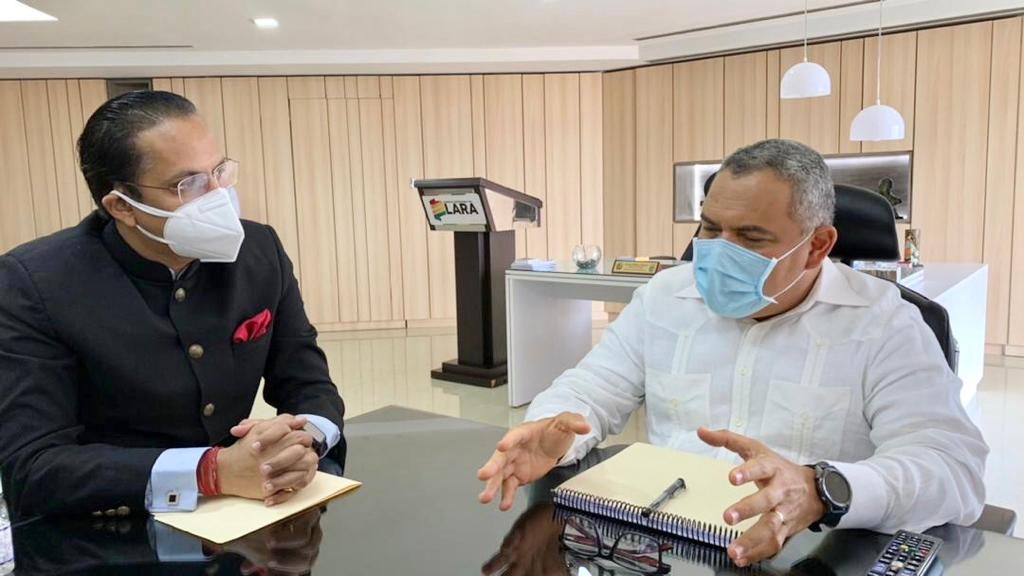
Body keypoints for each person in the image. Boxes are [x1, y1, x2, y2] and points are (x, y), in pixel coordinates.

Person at [476, 139, 987, 567]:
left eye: (750, 237)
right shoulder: (664, 297)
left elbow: (952, 469)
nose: (718, 251)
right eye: (710, 228)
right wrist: (553, 430)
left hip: (809, 553)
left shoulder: (885, 323)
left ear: (817, 246)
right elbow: (592, 389)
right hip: (673, 546)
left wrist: (823, 490)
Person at [0, 90, 345, 521]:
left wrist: (303, 439)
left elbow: (308, 381)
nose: (219, 195)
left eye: (219, 171)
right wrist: (209, 471)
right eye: (189, 184)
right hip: (110, 524)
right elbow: (33, 466)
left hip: (240, 513)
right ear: (122, 207)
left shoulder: (259, 250)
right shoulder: (34, 282)